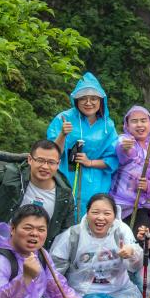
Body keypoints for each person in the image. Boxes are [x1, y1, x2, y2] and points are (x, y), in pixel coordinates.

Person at [49, 193, 143, 298]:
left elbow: (136, 266)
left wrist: (132, 253)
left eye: (107, 213)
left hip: (119, 290)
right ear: (87, 213)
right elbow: (55, 270)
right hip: (85, 292)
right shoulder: (73, 234)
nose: (100, 218)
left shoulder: (121, 230)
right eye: (95, 212)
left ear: (114, 215)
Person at [47, 72, 120, 218]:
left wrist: (90, 162)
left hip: (96, 183)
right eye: (83, 98)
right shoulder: (64, 118)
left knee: (91, 218)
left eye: (93, 98)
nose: (88, 103)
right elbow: (51, 153)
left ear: (101, 100)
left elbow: (113, 159)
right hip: (65, 177)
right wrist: (62, 134)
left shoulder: (108, 126)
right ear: (76, 100)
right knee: (62, 216)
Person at [110, 106, 150, 235]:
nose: (139, 124)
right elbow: (126, 153)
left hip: (142, 207)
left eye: (143, 120)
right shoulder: (124, 140)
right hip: (117, 204)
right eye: (134, 121)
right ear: (127, 126)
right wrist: (126, 149)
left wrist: (148, 185)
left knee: (142, 238)